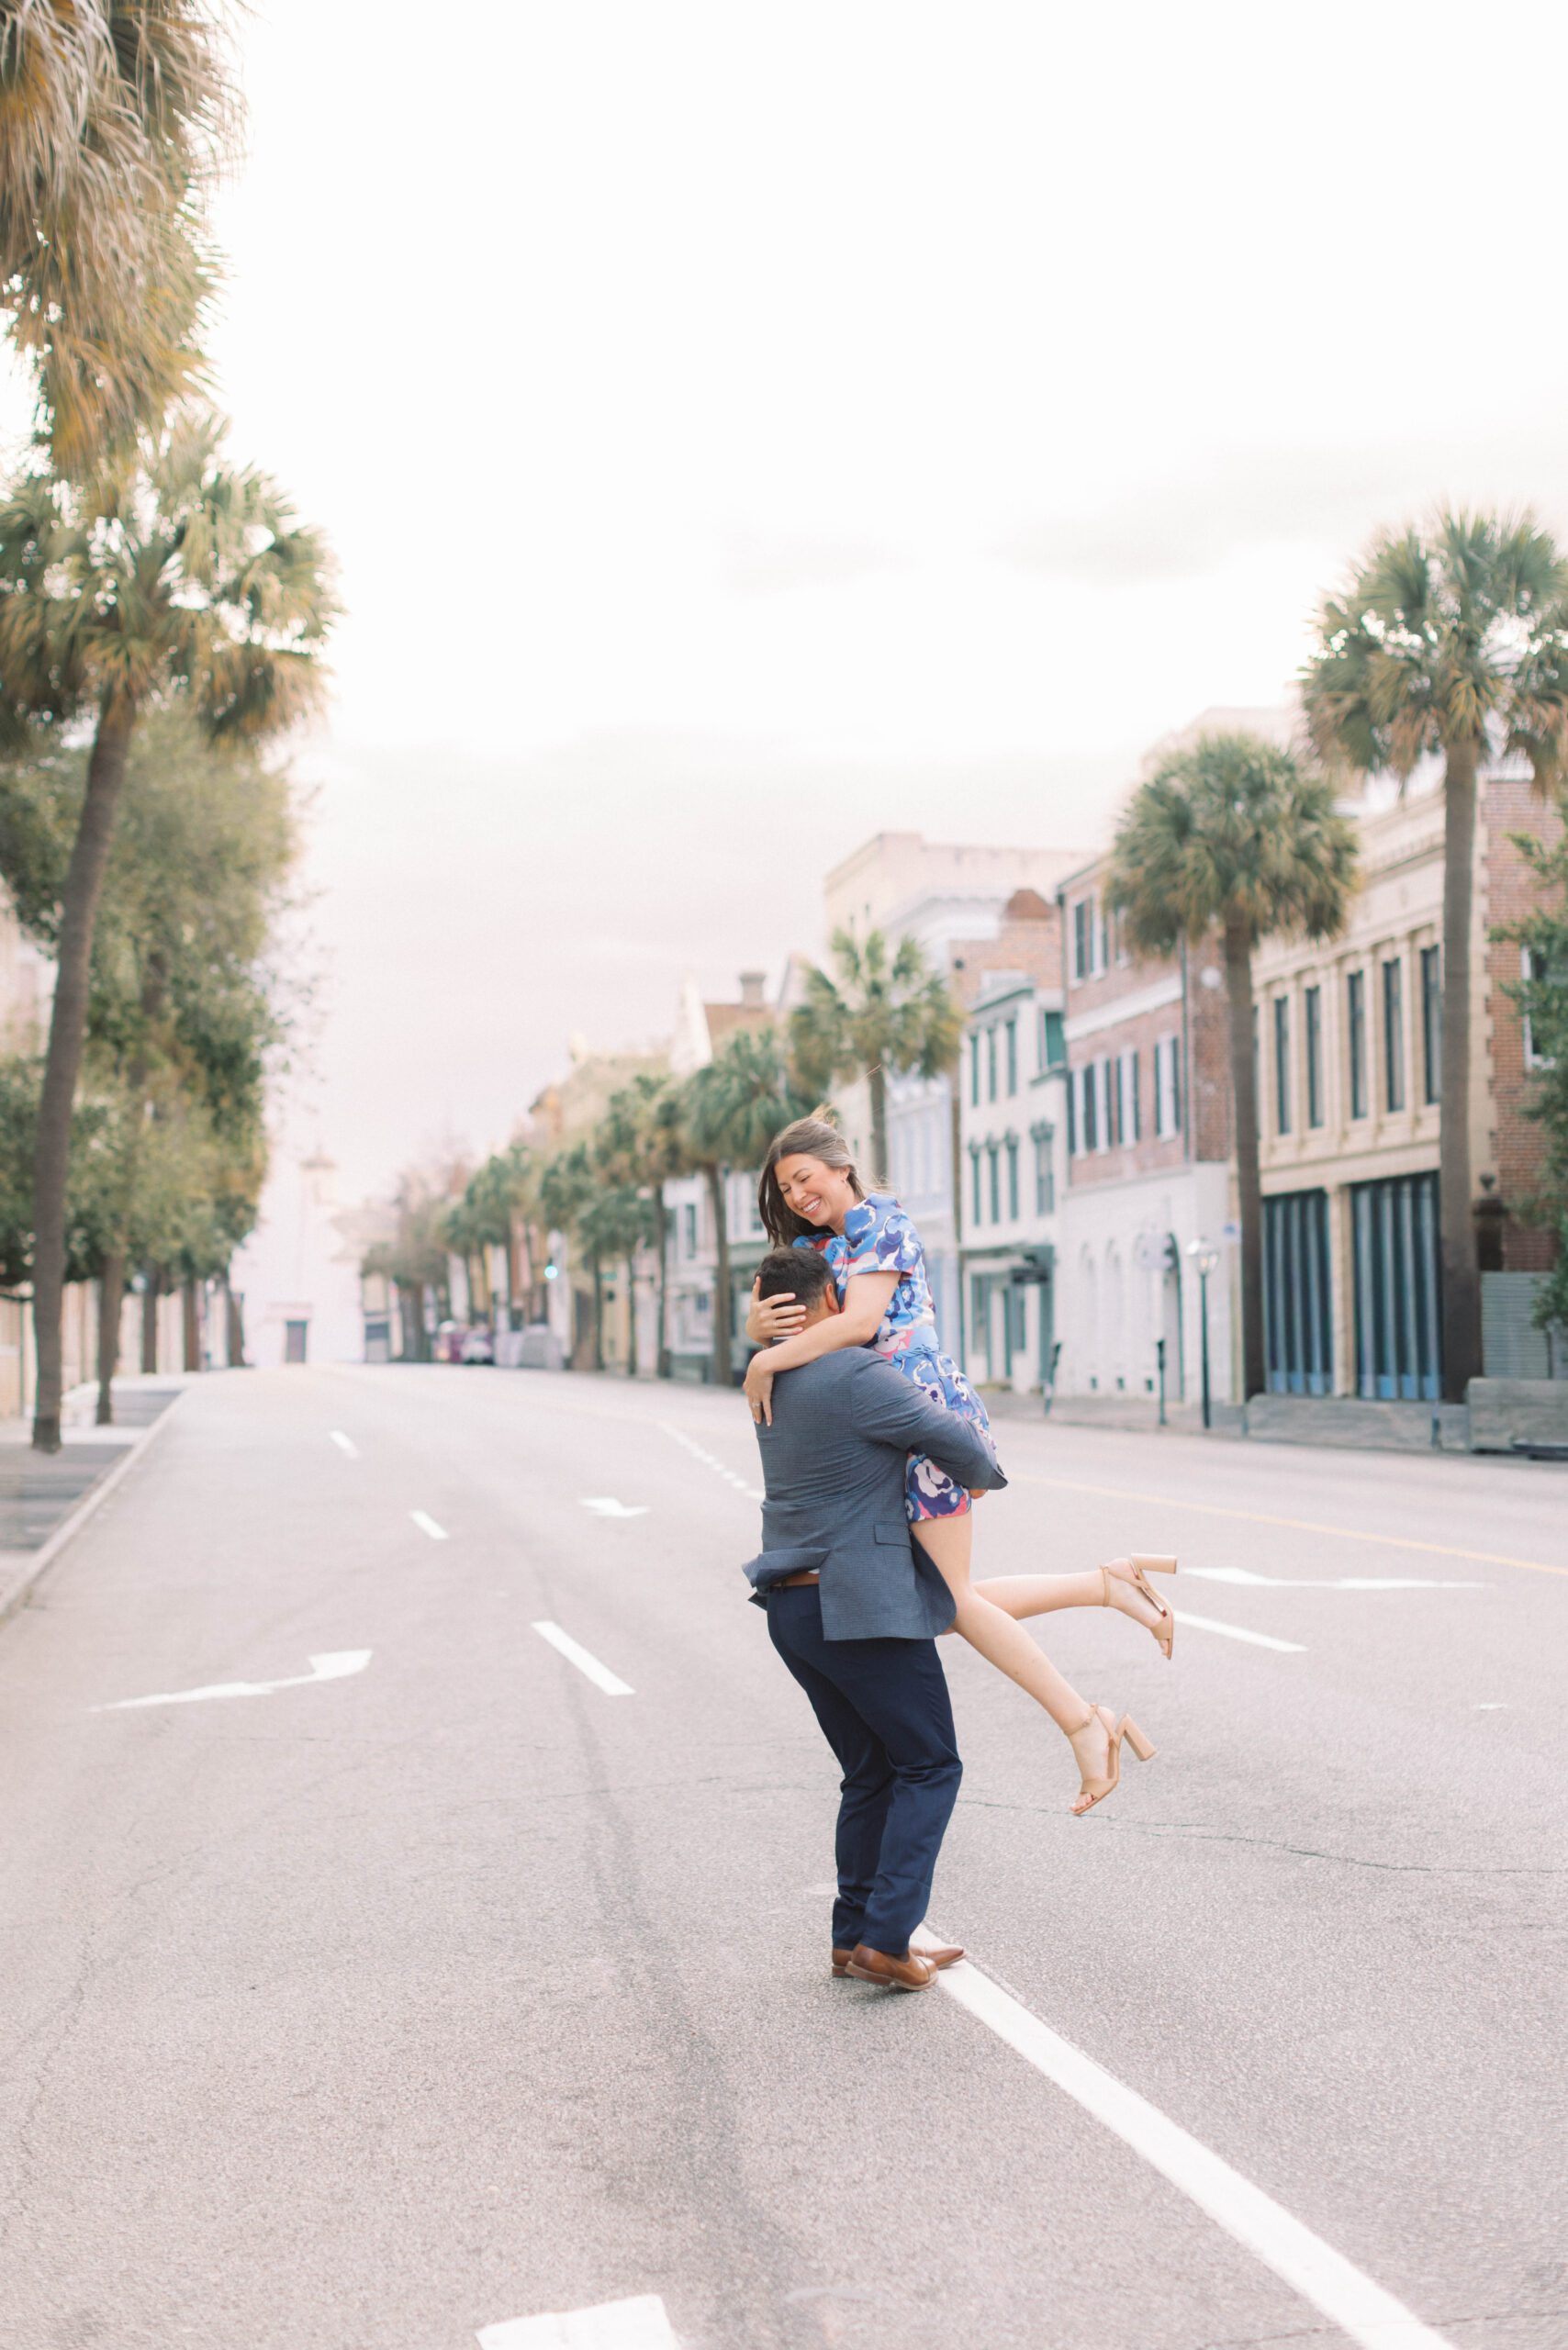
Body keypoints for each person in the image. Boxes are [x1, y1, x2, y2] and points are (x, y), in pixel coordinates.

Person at [743, 1114, 1167, 1816]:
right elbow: (780, 1312)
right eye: (785, 1188)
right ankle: (1107, 1586)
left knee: (953, 1601)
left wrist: (766, 1357)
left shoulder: (886, 1224)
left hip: (916, 1411)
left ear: (841, 1167)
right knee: (934, 1604)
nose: (796, 1195)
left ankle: (1084, 1722)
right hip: (870, 1426)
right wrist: (755, 1328)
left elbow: (856, 1324)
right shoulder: (818, 1246)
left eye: (805, 1178)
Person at [743, 1246, 1003, 1990]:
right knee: (930, 1764)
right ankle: (888, 1939)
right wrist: (982, 1480)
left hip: (792, 1606)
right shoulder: (856, 1376)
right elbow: (952, 1440)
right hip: (858, 1606)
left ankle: (853, 1935)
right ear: (831, 1295)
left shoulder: (767, 1379)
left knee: (869, 1773)